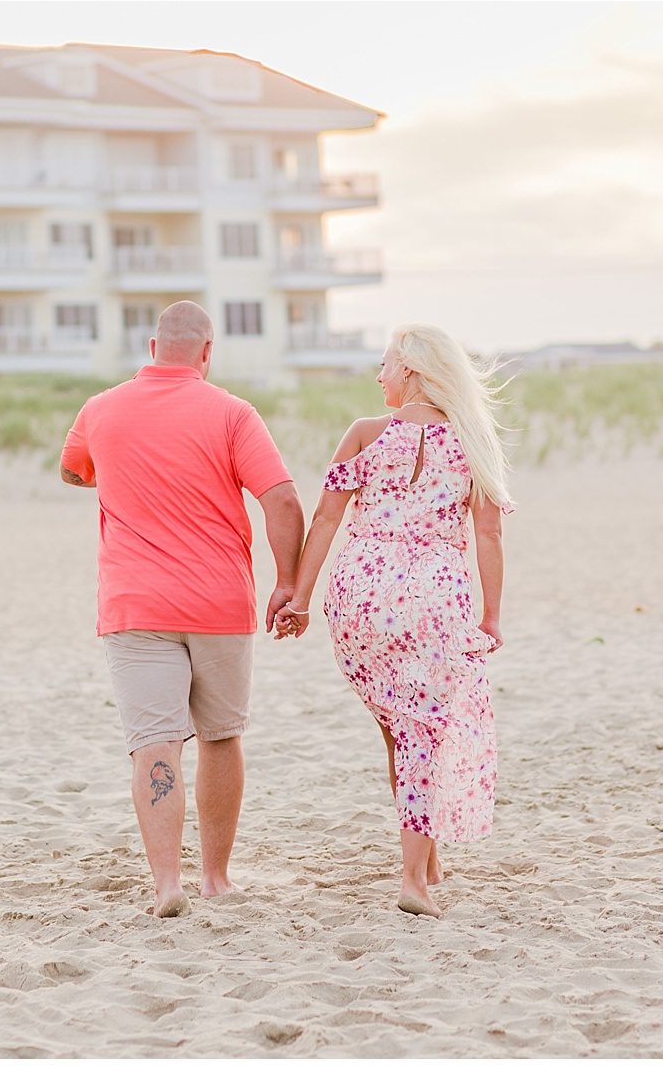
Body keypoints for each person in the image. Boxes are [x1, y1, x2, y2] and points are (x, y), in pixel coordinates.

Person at [60, 301, 305, 918]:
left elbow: (71, 472)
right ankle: (215, 878)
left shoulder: (100, 409)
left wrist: (120, 471)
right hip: (219, 601)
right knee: (221, 737)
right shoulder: (232, 413)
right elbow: (281, 501)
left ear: (150, 347)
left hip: (135, 603)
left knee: (154, 744)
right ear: (206, 351)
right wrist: (289, 583)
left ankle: (166, 884)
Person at [274, 322, 514, 918]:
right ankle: (414, 878)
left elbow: (326, 520)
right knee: (423, 731)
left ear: (410, 370)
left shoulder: (363, 434)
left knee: (400, 724)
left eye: (384, 364)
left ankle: (426, 855)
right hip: (432, 600)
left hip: (360, 599)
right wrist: (492, 615)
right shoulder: (471, 440)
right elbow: (488, 533)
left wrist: (301, 599)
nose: (378, 375)